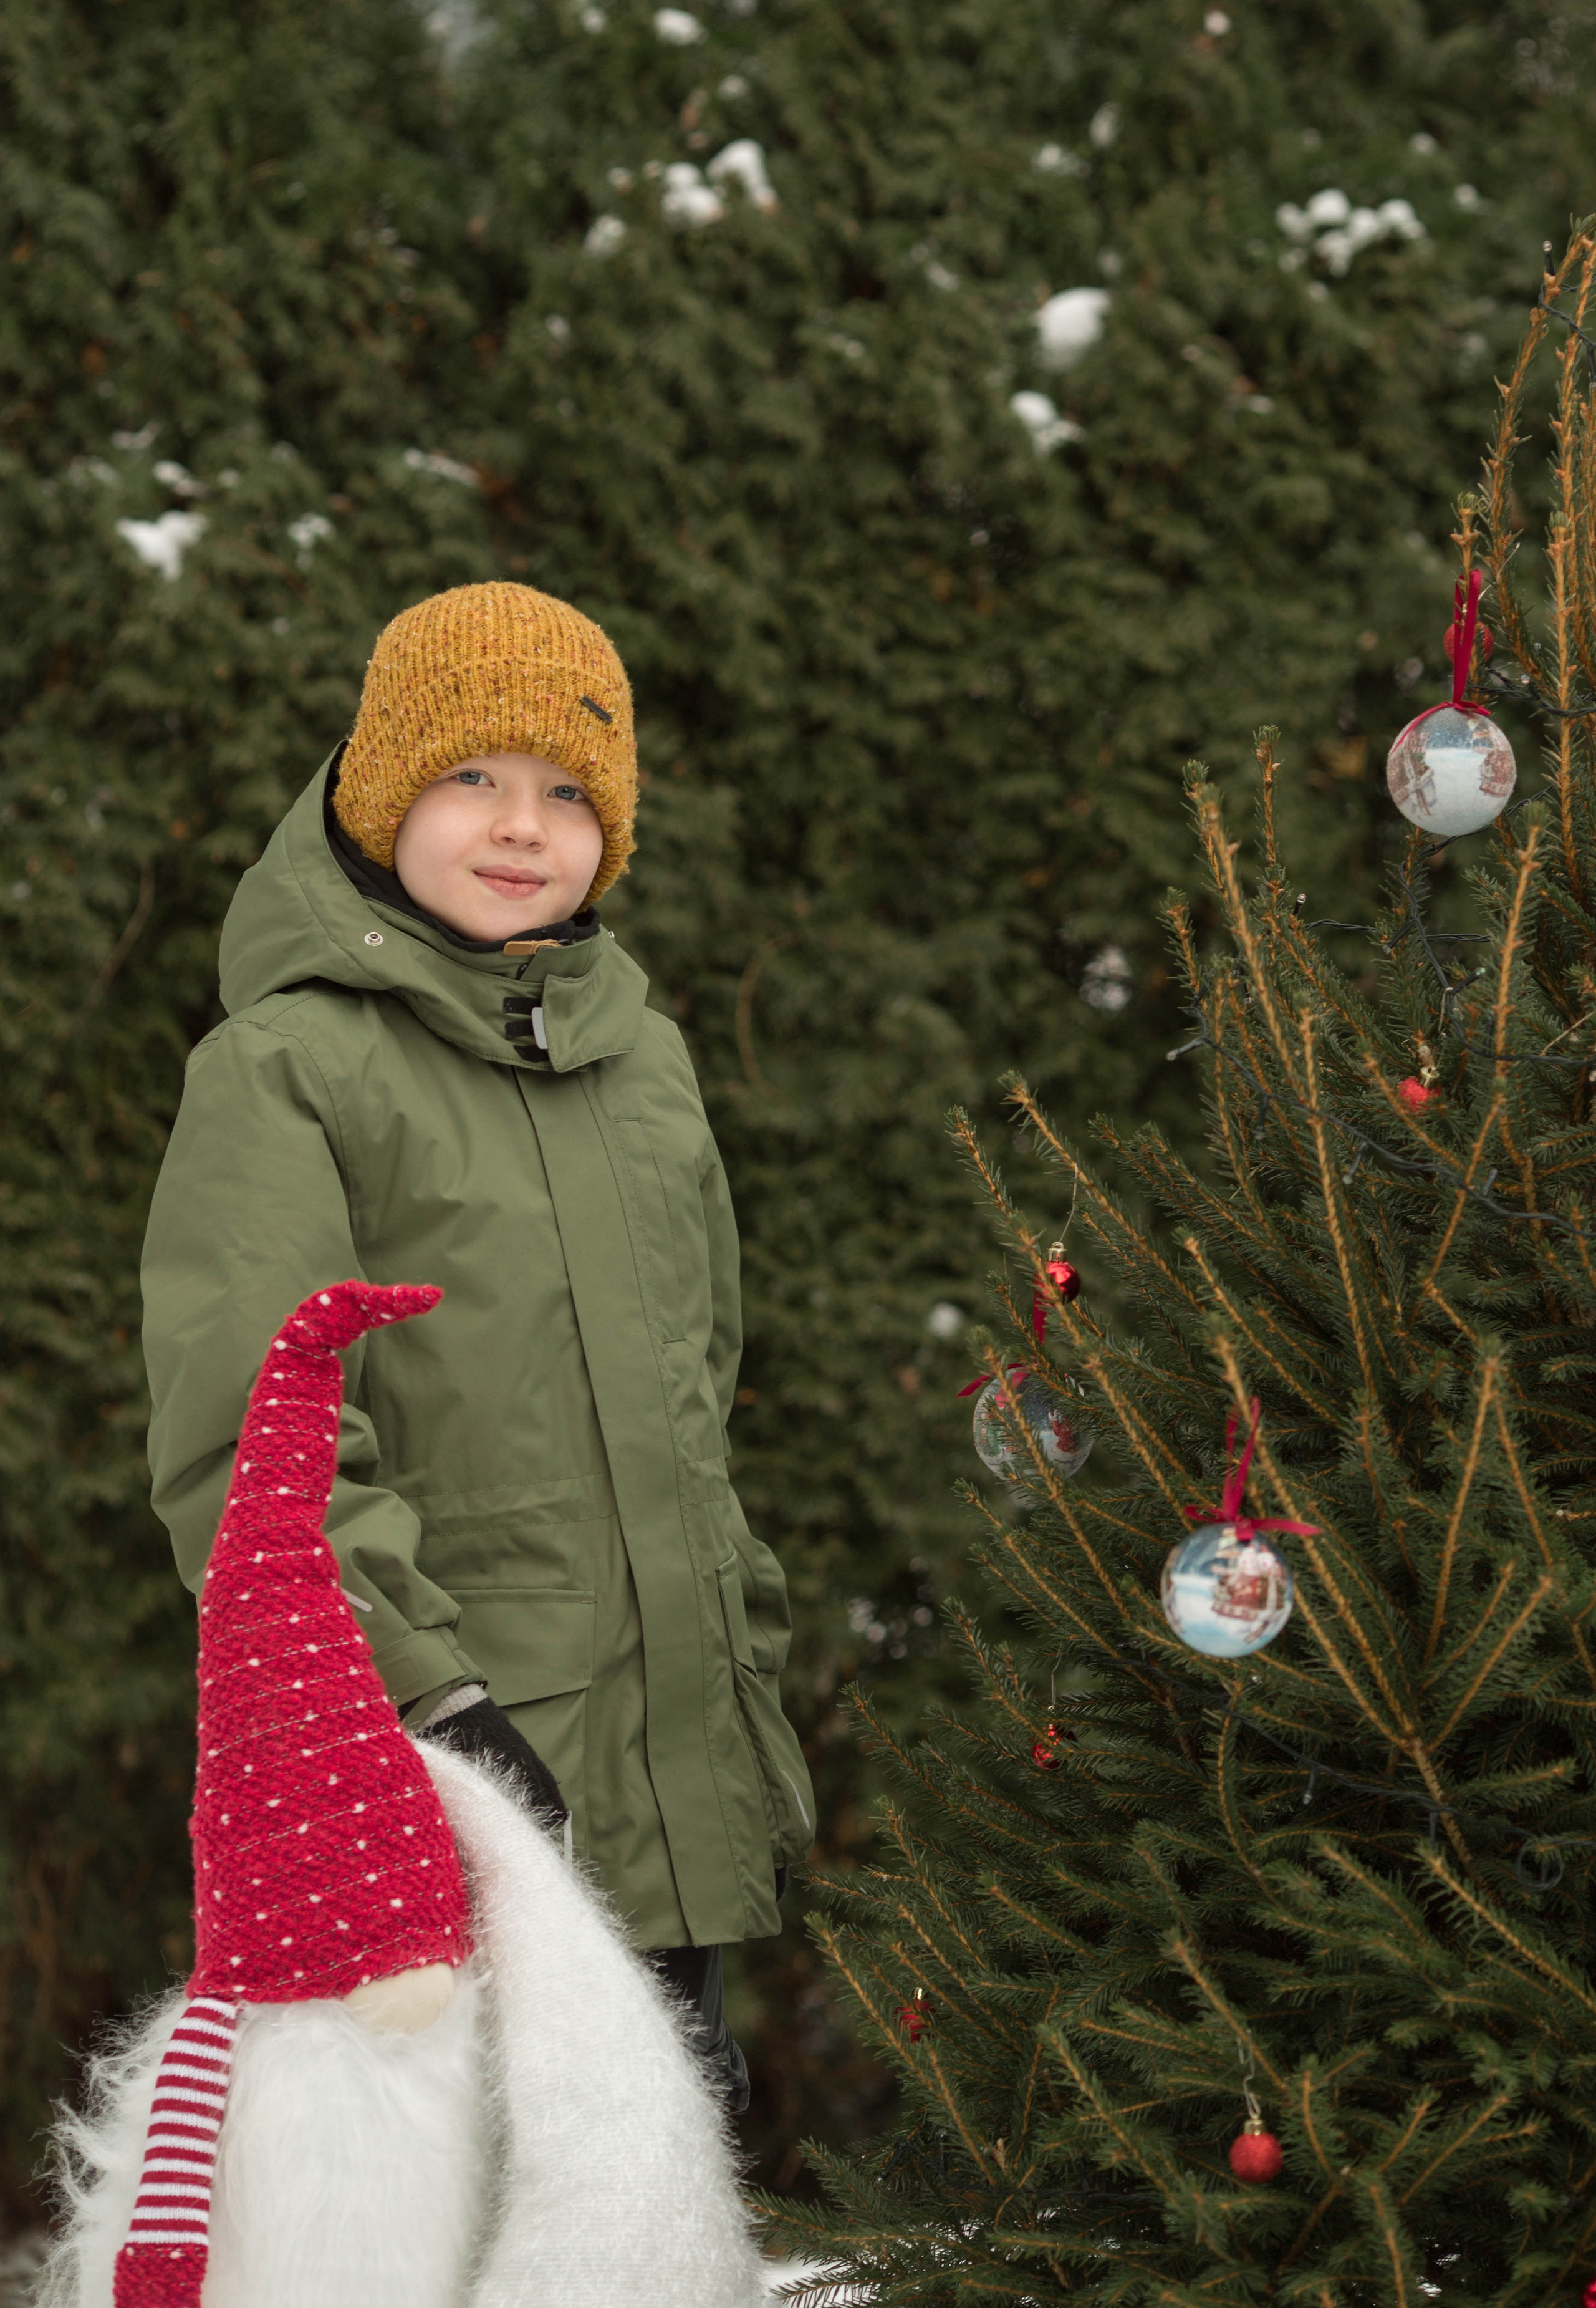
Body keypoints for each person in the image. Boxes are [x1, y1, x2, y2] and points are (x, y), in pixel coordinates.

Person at [140, 581, 815, 2110]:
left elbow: (694, 1390)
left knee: (658, 2188)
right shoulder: (288, 1070)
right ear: (384, 793)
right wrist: (425, 1703)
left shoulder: (644, 1064)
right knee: (471, 2201)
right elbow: (257, 1447)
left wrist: (737, 1662)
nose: (522, 826)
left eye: (569, 792)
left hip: (670, 1777)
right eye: (471, 776)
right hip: (448, 1793)